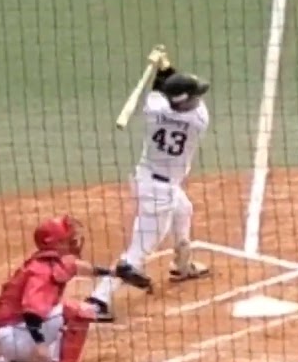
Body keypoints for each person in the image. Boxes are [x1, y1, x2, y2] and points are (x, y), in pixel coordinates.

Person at [86, 44, 213, 322]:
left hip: (145, 177)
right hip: (161, 193)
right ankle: (98, 300)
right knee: (139, 250)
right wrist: (165, 65)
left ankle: (182, 266)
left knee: (184, 210)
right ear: (185, 101)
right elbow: (168, 85)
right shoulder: (198, 119)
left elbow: (160, 87)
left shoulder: (154, 109)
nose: (198, 98)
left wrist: (161, 65)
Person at [0, 215, 151, 362]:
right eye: (67, 239)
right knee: (79, 312)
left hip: (8, 335)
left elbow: (76, 267)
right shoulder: (42, 271)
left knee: (53, 340)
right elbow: (32, 311)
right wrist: (39, 344)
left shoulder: (45, 262)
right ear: (56, 243)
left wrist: (114, 273)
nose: (73, 241)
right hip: (17, 336)